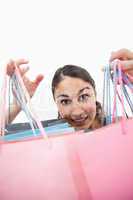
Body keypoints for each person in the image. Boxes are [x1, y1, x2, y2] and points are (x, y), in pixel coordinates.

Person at [5, 48, 133, 130]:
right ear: (56, 103)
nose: (77, 111)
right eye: (65, 101)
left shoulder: (120, 127)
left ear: (94, 94)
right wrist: (17, 104)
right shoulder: (50, 137)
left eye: (83, 97)